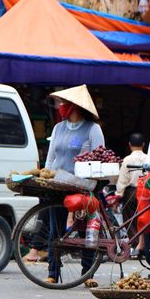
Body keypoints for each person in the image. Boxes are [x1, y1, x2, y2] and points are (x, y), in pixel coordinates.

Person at [45, 84, 105, 286]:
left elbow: (99, 157)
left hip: (82, 184)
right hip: (58, 184)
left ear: (75, 106)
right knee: (55, 231)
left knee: (86, 229)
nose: (60, 106)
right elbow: (51, 158)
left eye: (63, 103)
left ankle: (88, 274)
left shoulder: (92, 129)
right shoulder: (58, 128)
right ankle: (53, 271)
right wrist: (46, 177)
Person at [113, 133, 150, 252]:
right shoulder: (149, 158)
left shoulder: (127, 160)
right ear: (143, 145)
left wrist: (118, 196)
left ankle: (135, 244)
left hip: (131, 192)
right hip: (147, 191)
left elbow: (122, 181)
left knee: (130, 218)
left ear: (129, 145)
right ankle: (145, 244)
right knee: (146, 218)